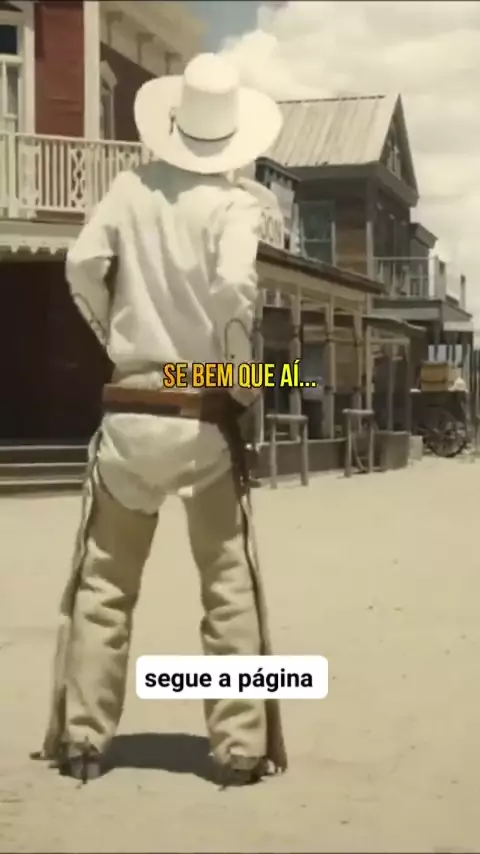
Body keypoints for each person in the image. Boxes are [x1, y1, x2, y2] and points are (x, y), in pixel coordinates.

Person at [31, 52, 287, 788]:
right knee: (227, 584)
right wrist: (241, 380)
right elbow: (234, 287)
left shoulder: (129, 189)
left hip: (133, 403)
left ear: (174, 124)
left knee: (105, 584)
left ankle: (84, 739)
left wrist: (114, 333)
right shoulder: (236, 206)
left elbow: (82, 265)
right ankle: (239, 746)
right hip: (200, 402)